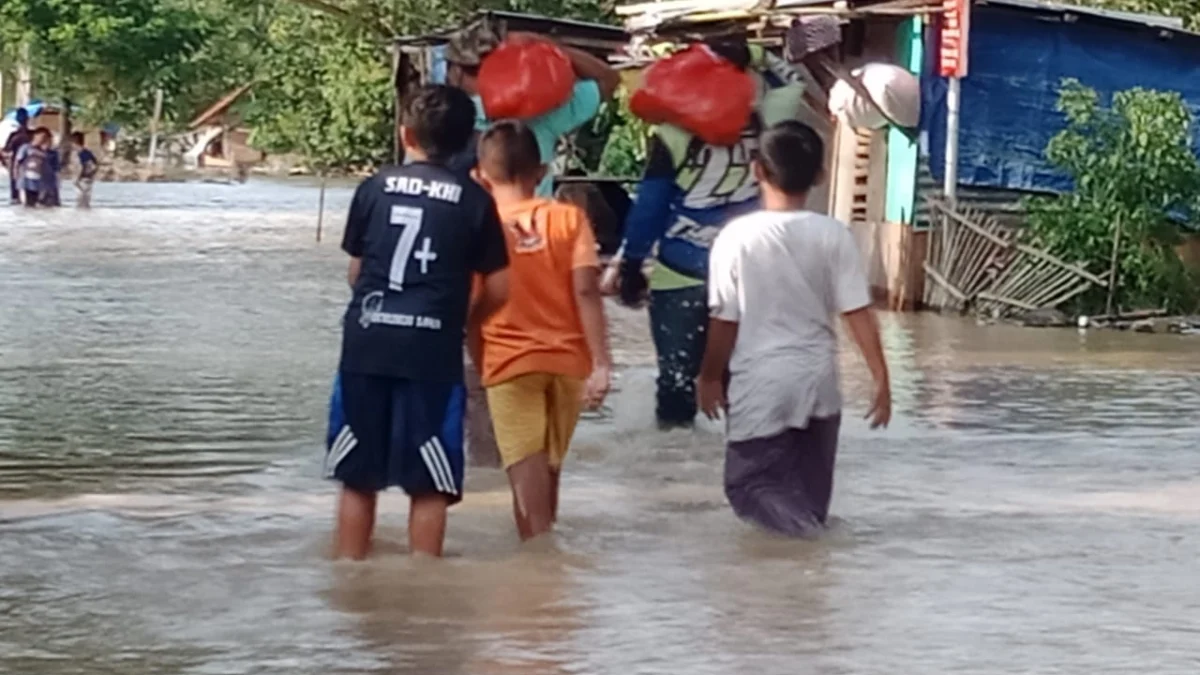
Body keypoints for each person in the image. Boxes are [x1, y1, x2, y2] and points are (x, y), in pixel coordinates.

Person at [326, 85, 510, 560]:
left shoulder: (373, 187)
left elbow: (356, 271)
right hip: (432, 351)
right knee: (430, 484)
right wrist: (463, 321)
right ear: (469, 140)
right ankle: (424, 582)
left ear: (406, 134)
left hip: (367, 344)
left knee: (356, 476)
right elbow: (500, 287)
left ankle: (349, 574)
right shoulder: (474, 201)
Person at [696, 120, 891, 537]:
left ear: (757, 171)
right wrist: (881, 378)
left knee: (747, 486)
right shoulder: (834, 235)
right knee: (810, 501)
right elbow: (857, 312)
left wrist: (710, 376)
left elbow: (724, 319)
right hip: (820, 382)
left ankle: (809, 543)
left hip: (760, 384)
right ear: (821, 176)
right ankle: (807, 587)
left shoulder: (735, 237)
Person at [608, 39, 809, 430]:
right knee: (745, 380)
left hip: (679, 273)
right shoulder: (764, 124)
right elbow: (792, 82)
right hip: (749, 276)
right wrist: (754, 54)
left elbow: (649, 207)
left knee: (676, 385)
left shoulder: (671, 136)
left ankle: (674, 470)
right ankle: (746, 466)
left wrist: (631, 264)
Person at [468, 120, 613, 541]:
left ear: (480, 176)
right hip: (568, 362)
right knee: (549, 468)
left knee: (524, 471)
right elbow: (586, 290)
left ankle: (537, 565)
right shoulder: (569, 219)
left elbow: (474, 306)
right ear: (543, 171)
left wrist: (479, 360)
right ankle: (549, 575)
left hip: (508, 362)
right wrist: (602, 362)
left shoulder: (481, 225)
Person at [444, 23, 621, 194]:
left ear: (456, 72)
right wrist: (544, 44)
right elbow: (609, 78)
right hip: (535, 221)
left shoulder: (443, 119)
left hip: (473, 222)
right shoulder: (545, 112)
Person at [15, 128, 51, 208]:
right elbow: (18, 161)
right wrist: (16, 175)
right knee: (26, 205)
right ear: (35, 136)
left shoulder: (45, 151)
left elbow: (48, 165)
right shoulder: (25, 148)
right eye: (42, 137)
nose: (43, 139)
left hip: (38, 182)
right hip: (25, 181)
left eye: (45, 138)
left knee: (36, 205)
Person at [3, 109, 32, 205]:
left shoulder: (14, 135)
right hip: (31, 164)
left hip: (16, 163)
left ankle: (17, 200)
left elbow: (7, 149)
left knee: (15, 188)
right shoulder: (31, 135)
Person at [73, 132, 99, 208]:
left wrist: (77, 179)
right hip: (89, 179)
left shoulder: (80, 153)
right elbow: (96, 165)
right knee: (86, 203)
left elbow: (81, 167)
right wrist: (92, 175)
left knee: (80, 203)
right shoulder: (88, 152)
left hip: (82, 180)